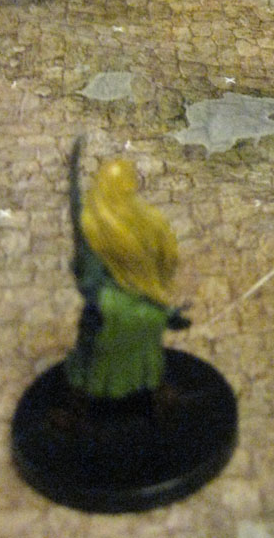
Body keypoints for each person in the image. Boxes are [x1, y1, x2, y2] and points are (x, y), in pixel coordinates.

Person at [64, 152, 187, 400]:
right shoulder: (134, 222)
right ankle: (90, 400)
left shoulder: (116, 223)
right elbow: (165, 260)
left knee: (101, 354)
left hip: (118, 307)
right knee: (111, 351)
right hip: (132, 307)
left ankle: (92, 397)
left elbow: (162, 260)